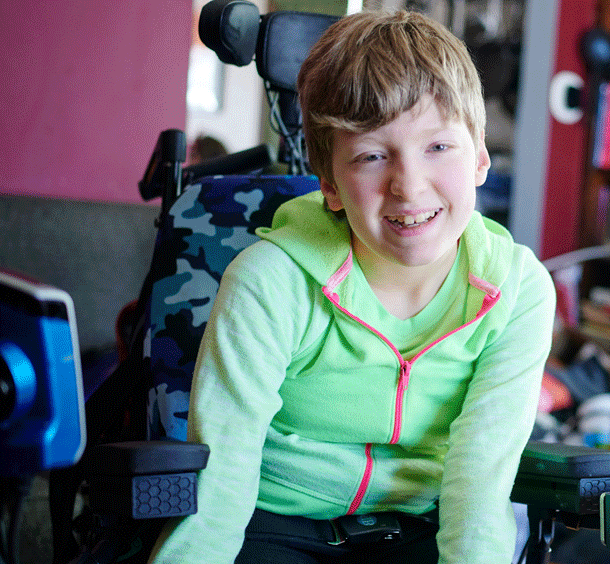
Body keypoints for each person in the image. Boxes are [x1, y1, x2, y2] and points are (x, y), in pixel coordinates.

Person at [148, 9, 555, 564]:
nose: (408, 186)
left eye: (438, 147)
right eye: (371, 156)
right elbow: (222, 473)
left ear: (480, 156)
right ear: (330, 186)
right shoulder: (270, 282)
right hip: (274, 522)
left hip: (418, 528)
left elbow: (482, 478)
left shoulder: (518, 290)